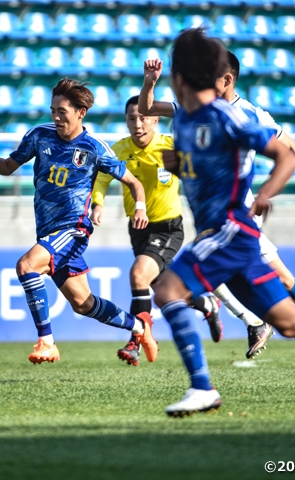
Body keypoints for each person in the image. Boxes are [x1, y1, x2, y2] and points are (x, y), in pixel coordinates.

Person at [153, 28, 295, 417]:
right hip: (232, 240)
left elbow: (286, 155)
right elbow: (198, 167)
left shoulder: (227, 116)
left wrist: (264, 194)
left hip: (228, 230)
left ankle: (202, 388)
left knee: (166, 289)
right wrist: (180, 167)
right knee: (292, 324)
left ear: (179, 77)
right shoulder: (184, 122)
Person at [138, 51, 295, 359]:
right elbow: (147, 107)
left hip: (238, 219)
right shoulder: (197, 107)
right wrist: (149, 82)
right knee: (284, 286)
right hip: (220, 220)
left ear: (227, 79)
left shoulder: (248, 114)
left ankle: (250, 333)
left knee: (177, 285)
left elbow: (293, 149)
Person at [0, 78, 157, 365]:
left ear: (80, 113)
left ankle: (47, 342)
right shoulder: (39, 136)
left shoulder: (95, 148)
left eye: (62, 111)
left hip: (73, 229)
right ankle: (139, 327)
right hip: (48, 231)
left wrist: (140, 208)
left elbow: (134, 183)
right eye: (53, 110)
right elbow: (8, 167)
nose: (55, 116)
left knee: (26, 266)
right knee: (83, 304)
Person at [91, 96, 222, 366]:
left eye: (142, 117)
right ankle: (206, 304)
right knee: (163, 290)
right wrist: (97, 204)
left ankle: (135, 339)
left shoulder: (170, 147)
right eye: (131, 118)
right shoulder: (118, 150)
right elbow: (102, 179)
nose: (137, 123)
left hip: (168, 227)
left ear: (154, 119)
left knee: (138, 275)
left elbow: (199, 173)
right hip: (138, 228)